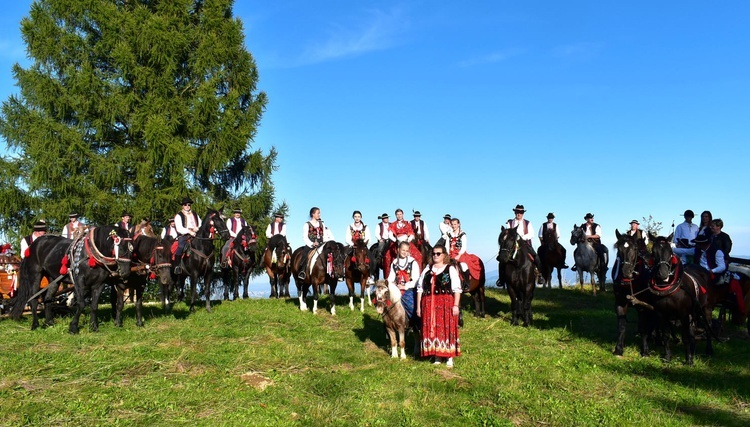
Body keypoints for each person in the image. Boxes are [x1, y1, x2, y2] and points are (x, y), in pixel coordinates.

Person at [416, 244, 461, 368]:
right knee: (433, 326)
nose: (435, 256)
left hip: (445, 303)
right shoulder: (427, 269)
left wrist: (456, 305)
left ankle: (449, 356)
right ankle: (437, 355)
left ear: (444, 255)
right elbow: (420, 288)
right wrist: (418, 307)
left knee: (447, 327)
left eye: (438, 253)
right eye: (433, 253)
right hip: (428, 303)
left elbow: (457, 289)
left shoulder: (450, 269)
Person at [505, 204, 544, 285]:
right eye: (517, 212)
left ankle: (539, 274)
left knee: (536, 257)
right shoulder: (509, 223)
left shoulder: (527, 223)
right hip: (512, 245)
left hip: (525, 244)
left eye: (521, 212)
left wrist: (522, 237)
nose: (519, 214)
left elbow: (531, 234)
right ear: (515, 212)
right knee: (502, 258)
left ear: (523, 213)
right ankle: (502, 278)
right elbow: (507, 233)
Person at [444, 217, 482, 292]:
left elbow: (464, 247)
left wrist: (459, 255)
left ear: (459, 224)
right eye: (452, 224)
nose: (453, 226)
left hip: (460, 254)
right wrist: (447, 254)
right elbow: (446, 245)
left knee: (463, 265)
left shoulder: (462, 234)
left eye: (455, 224)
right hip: (450, 254)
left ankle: (466, 284)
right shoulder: (449, 234)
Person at [387, 241, 421, 320]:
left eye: (406, 251)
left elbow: (416, 280)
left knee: (409, 304)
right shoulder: (394, 263)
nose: (405, 252)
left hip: (409, 289)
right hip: (397, 288)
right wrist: (390, 283)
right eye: (403, 250)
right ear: (398, 250)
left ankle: (414, 323)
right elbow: (391, 277)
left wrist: (404, 286)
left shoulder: (413, 262)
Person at [298, 207, 334, 280]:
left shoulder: (322, 224)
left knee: (331, 255)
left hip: (322, 244)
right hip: (311, 244)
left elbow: (324, 235)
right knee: (305, 254)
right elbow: (305, 237)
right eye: (318, 213)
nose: (319, 215)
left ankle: (333, 273)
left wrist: (326, 243)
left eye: (319, 213)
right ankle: (302, 271)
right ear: (313, 214)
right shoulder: (307, 224)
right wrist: (312, 243)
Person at [385, 209, 422, 277]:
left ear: (403, 214)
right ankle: (388, 277)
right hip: (397, 242)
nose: (399, 216)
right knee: (387, 256)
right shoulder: (393, 224)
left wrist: (408, 240)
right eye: (397, 214)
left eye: (400, 214)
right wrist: (396, 240)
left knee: (419, 255)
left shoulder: (407, 223)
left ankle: (418, 276)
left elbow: (411, 234)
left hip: (406, 241)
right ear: (395, 215)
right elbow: (390, 235)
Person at [173, 197, 201, 274]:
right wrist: (189, 231)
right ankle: (177, 266)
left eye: (189, 204)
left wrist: (197, 228)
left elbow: (200, 223)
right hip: (184, 235)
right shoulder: (179, 215)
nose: (187, 206)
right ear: (182, 206)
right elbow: (179, 228)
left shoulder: (195, 214)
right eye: (185, 204)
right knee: (181, 246)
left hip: (196, 234)